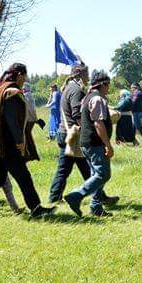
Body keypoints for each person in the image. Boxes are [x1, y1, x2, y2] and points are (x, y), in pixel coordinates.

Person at [0, 63, 54, 217]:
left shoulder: (1, 89)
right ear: (19, 75)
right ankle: (36, 209)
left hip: (2, 142)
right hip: (9, 143)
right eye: (24, 76)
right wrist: (19, 141)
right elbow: (13, 120)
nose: (25, 79)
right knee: (23, 177)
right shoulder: (12, 92)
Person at [47, 65, 115, 206]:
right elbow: (77, 114)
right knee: (94, 171)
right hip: (73, 134)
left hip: (69, 134)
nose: (88, 77)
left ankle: (97, 199)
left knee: (85, 169)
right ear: (79, 74)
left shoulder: (68, 88)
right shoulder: (77, 90)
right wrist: (88, 129)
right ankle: (76, 197)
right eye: (86, 74)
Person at [64, 70, 115, 218]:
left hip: (87, 143)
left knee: (95, 174)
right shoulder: (97, 99)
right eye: (108, 85)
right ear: (103, 84)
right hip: (95, 143)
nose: (108, 88)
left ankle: (96, 207)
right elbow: (98, 124)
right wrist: (107, 144)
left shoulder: (88, 97)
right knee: (103, 174)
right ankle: (76, 196)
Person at [22, 82, 44, 162]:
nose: (23, 89)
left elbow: (31, 109)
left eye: (24, 88)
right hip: (29, 119)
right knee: (26, 136)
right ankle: (28, 153)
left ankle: (29, 154)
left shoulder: (28, 95)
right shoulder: (26, 95)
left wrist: (35, 118)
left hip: (29, 119)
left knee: (27, 136)